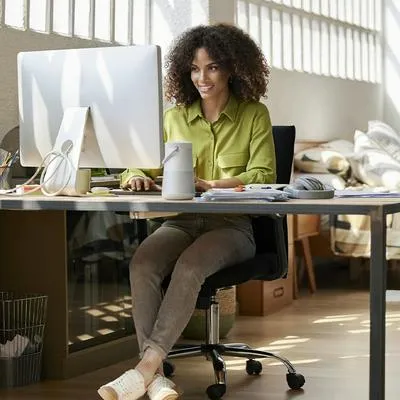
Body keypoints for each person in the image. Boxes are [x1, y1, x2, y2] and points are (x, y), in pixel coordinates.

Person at [98, 23, 276, 400]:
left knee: (191, 265)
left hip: (233, 228)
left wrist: (212, 185)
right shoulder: (174, 117)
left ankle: (143, 368)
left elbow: (264, 175)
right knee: (142, 264)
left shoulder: (253, 114)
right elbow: (137, 164)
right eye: (195, 69)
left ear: (231, 69)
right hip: (180, 222)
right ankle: (157, 375)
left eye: (212, 67)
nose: (202, 77)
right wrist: (135, 178)